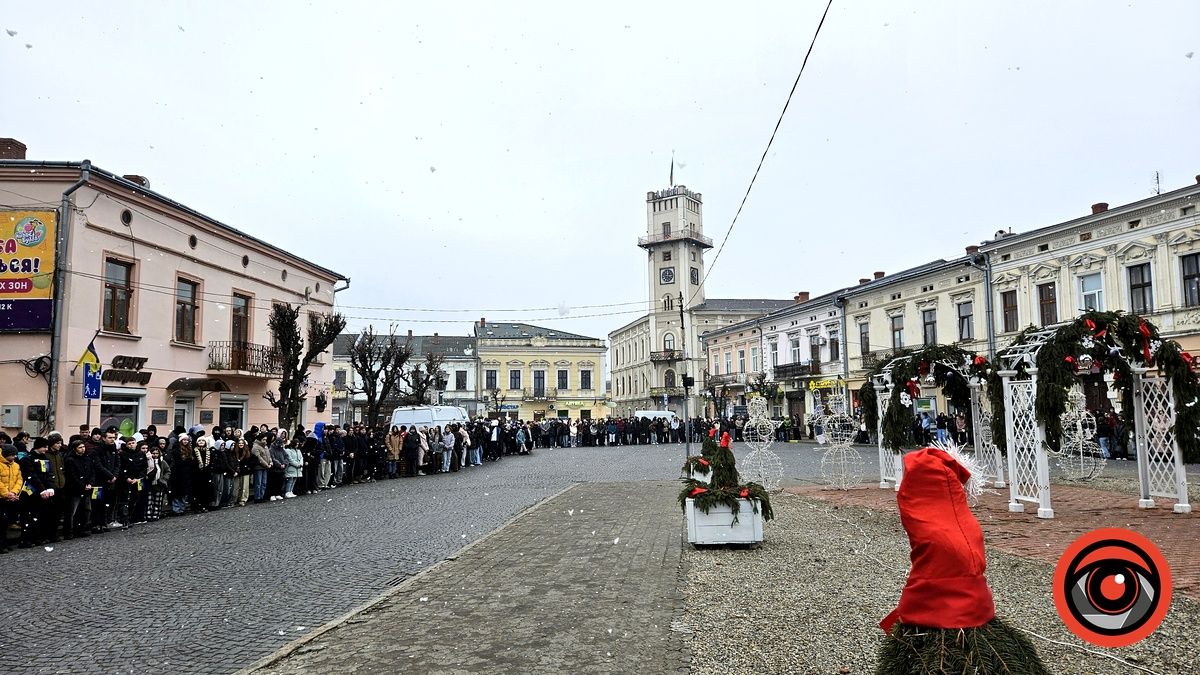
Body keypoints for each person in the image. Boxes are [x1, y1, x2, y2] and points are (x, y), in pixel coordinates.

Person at [61, 439, 97, 537]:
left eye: (83, 447)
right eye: (80, 447)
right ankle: (69, 531)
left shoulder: (87, 458)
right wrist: (82, 485)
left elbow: (92, 472)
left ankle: (81, 529)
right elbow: (72, 475)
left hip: (87, 488)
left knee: (86, 510)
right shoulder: (70, 460)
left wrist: (90, 483)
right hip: (75, 489)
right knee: (72, 511)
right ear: (74, 449)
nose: (83, 449)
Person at [0, 445, 21, 553]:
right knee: (2, 521)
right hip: (2, 498)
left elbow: (19, 480)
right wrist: (6, 493)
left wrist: (13, 492)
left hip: (11, 497)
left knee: (7, 521)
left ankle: (4, 543)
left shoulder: (16, 466)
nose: (14, 457)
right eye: (12, 455)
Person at [144, 445, 171, 522]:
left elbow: (168, 471)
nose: (155, 455)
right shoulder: (148, 461)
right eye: (153, 453)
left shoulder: (162, 462)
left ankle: (156, 515)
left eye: (157, 453)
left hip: (159, 484)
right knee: (149, 501)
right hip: (150, 483)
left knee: (157, 501)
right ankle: (148, 516)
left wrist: (164, 479)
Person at [251, 435, 272, 503]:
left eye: (265, 440)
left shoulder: (265, 447)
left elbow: (269, 455)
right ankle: (257, 497)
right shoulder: (255, 447)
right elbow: (259, 458)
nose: (265, 441)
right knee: (258, 483)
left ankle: (262, 496)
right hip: (259, 467)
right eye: (263, 439)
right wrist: (266, 464)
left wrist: (271, 462)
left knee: (264, 483)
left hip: (265, 467)